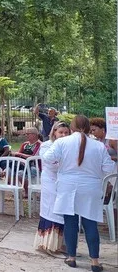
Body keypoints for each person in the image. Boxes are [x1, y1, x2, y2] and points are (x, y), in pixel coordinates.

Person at [42, 115, 114, 271]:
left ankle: (71, 257)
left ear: (71, 128)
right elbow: (108, 168)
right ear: (89, 128)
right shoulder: (98, 146)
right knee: (90, 224)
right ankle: (94, 261)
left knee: (70, 223)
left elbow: (47, 158)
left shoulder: (62, 142)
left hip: (67, 186)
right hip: (90, 187)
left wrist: (61, 163)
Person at [34, 121, 70, 255]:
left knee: (62, 211)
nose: (63, 135)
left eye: (66, 133)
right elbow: (51, 164)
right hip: (50, 181)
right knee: (51, 209)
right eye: (61, 132)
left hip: (64, 183)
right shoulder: (46, 145)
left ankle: (60, 244)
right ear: (54, 132)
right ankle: (48, 243)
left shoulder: (69, 146)